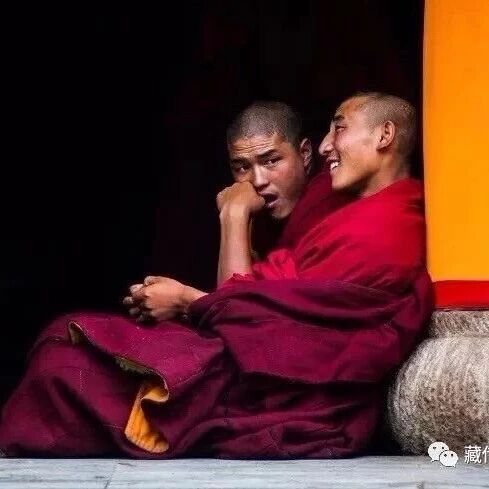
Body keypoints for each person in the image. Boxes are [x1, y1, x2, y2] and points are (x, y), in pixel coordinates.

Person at [0, 93, 433, 459]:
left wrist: (194, 288)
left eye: (338, 129)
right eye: (241, 168)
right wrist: (198, 301)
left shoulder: (386, 225)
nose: (325, 146)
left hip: (277, 380)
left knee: (64, 367)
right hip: (250, 349)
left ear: (384, 135)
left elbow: (266, 323)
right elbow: (263, 297)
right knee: (65, 343)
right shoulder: (333, 200)